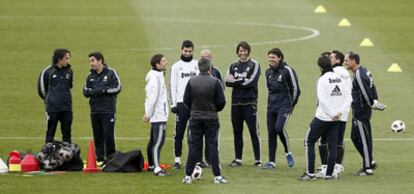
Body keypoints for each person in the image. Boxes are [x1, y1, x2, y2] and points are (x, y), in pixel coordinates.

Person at [300, 55, 351, 181]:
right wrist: (340, 111)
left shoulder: (322, 79)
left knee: (309, 141)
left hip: (323, 117)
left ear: (320, 67)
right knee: (333, 145)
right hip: (337, 119)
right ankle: (329, 174)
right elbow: (349, 97)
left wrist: (331, 113)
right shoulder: (340, 79)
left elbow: (322, 100)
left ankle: (310, 173)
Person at [182, 59, 227, 184]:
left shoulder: (191, 81)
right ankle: (217, 176)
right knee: (212, 146)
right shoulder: (215, 82)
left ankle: (187, 175)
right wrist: (214, 109)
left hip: (195, 118)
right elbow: (222, 101)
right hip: (211, 118)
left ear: (198, 68)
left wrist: (194, 109)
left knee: (194, 147)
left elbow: (186, 100)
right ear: (210, 69)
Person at [344, 52, 385, 176]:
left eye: (346, 60)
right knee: (354, 137)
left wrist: (372, 103)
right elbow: (373, 87)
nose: (345, 62)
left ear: (354, 61)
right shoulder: (365, 71)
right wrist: (375, 100)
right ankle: (370, 160)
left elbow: (366, 92)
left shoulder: (358, 75)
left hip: (361, 111)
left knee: (363, 139)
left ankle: (367, 168)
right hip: (360, 111)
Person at [263, 48, 300, 169]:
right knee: (271, 133)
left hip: (284, 106)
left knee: (279, 128)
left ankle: (288, 152)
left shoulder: (287, 70)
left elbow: (296, 89)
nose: (271, 59)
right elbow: (269, 89)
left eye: (273, 57)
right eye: (269, 57)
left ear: (280, 58)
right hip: (271, 106)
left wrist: (291, 105)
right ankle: (271, 162)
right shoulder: (267, 72)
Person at [316, 50, 352, 178]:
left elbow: (327, 95)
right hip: (342, 111)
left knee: (324, 140)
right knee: (338, 139)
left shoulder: (334, 73)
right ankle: (336, 167)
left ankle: (327, 168)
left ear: (337, 60)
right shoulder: (344, 72)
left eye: (331, 57)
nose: (328, 58)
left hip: (332, 113)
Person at [225, 41, 262, 167]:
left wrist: (236, 81)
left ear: (248, 51)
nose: (242, 53)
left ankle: (258, 159)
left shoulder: (255, 64)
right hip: (235, 103)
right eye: (240, 51)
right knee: (237, 131)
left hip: (250, 102)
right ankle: (238, 159)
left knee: (253, 131)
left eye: (244, 50)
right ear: (237, 52)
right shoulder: (232, 65)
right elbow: (227, 82)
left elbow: (251, 82)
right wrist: (241, 81)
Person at [83, 52, 122, 163]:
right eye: (90, 61)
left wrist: (104, 91)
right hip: (95, 110)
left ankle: (111, 158)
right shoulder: (90, 76)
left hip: (108, 109)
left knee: (108, 135)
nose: (91, 63)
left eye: (93, 60)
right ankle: (99, 158)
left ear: (100, 61)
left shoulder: (110, 73)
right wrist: (91, 92)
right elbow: (85, 91)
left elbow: (118, 87)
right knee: (97, 135)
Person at [170, 40, 199, 169]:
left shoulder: (197, 65)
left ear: (192, 51)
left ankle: (196, 159)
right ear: (181, 50)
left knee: (195, 133)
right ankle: (177, 159)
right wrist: (173, 104)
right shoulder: (176, 66)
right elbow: (173, 85)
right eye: (185, 51)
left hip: (195, 103)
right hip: (181, 104)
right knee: (179, 133)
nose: (187, 53)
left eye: (189, 51)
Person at [37, 48, 73, 143]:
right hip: (52, 109)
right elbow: (41, 90)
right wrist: (50, 99)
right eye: (66, 58)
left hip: (66, 108)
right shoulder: (47, 72)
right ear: (59, 59)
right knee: (50, 133)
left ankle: (67, 155)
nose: (68, 60)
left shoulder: (69, 71)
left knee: (67, 134)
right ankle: (48, 154)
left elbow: (69, 86)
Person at [197, 49, 224, 168]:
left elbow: (221, 89)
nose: (205, 59)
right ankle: (198, 160)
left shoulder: (216, 72)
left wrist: (216, 107)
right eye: (202, 57)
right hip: (198, 110)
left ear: (211, 58)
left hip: (211, 110)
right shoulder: (196, 71)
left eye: (207, 57)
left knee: (211, 138)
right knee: (197, 137)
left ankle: (210, 160)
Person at [143, 54, 170, 176]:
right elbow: (152, 97)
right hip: (159, 115)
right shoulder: (156, 78)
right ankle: (157, 169)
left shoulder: (156, 75)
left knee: (153, 141)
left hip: (157, 114)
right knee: (158, 142)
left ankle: (152, 165)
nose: (166, 62)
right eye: (163, 61)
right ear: (157, 64)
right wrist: (148, 114)